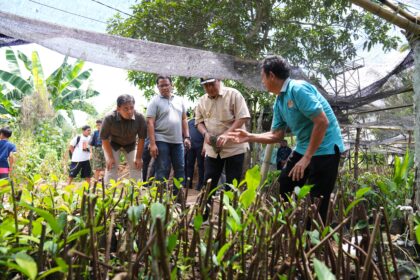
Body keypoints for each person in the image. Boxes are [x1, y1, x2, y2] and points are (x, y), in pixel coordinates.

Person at [230, 55, 344, 222]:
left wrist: (306, 158)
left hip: (326, 148)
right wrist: (250, 137)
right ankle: (288, 225)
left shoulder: (297, 89)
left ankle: (313, 240)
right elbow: (277, 135)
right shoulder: (280, 100)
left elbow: (322, 122)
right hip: (304, 147)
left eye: (262, 76)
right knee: (286, 182)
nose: (262, 81)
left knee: (318, 198)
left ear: (271, 75)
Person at [195, 78, 250, 218]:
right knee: (209, 180)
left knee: (232, 183)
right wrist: (205, 134)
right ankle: (204, 215)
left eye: (212, 84)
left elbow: (243, 117)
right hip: (213, 149)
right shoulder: (202, 100)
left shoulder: (233, 94)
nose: (209, 88)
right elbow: (198, 122)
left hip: (234, 147)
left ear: (219, 80)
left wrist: (227, 134)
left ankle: (229, 217)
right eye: (205, 85)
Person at [146, 76, 191, 192]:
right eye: (161, 85)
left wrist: (187, 137)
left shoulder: (179, 100)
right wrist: (152, 144)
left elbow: (184, 119)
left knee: (180, 168)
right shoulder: (154, 101)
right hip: (161, 140)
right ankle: (161, 199)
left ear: (172, 85)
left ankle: (178, 198)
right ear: (158, 87)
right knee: (162, 169)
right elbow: (150, 123)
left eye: (166, 84)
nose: (164, 87)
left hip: (178, 141)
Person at [100, 94, 147, 185]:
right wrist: (110, 157)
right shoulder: (109, 118)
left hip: (131, 145)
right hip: (112, 144)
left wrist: (138, 158)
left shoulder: (140, 118)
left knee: (136, 166)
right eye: (126, 108)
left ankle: (135, 195)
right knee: (111, 167)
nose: (129, 111)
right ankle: (109, 195)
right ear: (118, 108)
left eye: (131, 108)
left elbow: (142, 138)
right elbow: (104, 138)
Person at [185, 111, 205, 190]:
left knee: (201, 166)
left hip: (200, 146)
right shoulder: (190, 122)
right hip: (191, 146)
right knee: (189, 165)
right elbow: (186, 132)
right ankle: (188, 184)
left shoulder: (204, 122)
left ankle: (200, 185)